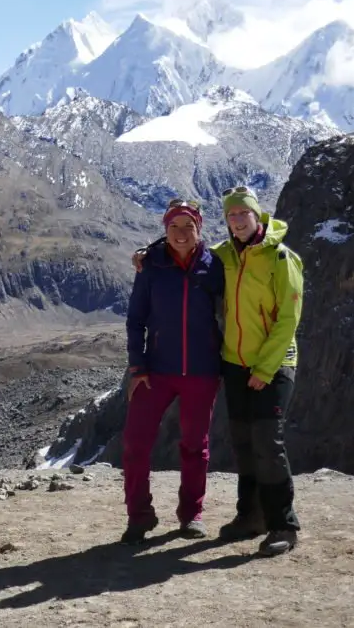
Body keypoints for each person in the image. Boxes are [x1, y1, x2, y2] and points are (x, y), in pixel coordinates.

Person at [131, 186, 305, 557]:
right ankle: (250, 517)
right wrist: (149, 251)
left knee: (267, 444)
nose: (239, 220)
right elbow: (180, 253)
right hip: (232, 364)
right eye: (232, 215)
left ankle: (283, 525)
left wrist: (265, 367)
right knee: (244, 443)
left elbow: (289, 319)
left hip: (266, 365)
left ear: (257, 215)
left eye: (244, 213)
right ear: (224, 221)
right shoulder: (224, 256)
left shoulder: (278, 258)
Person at [121, 198, 225, 545]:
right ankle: (140, 515)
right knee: (136, 444)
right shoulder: (151, 266)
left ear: (199, 230)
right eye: (174, 227)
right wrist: (137, 366)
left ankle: (191, 515)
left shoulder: (215, 266)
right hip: (156, 371)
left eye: (188, 227)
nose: (181, 234)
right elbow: (136, 320)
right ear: (165, 230)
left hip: (202, 371)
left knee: (195, 446)